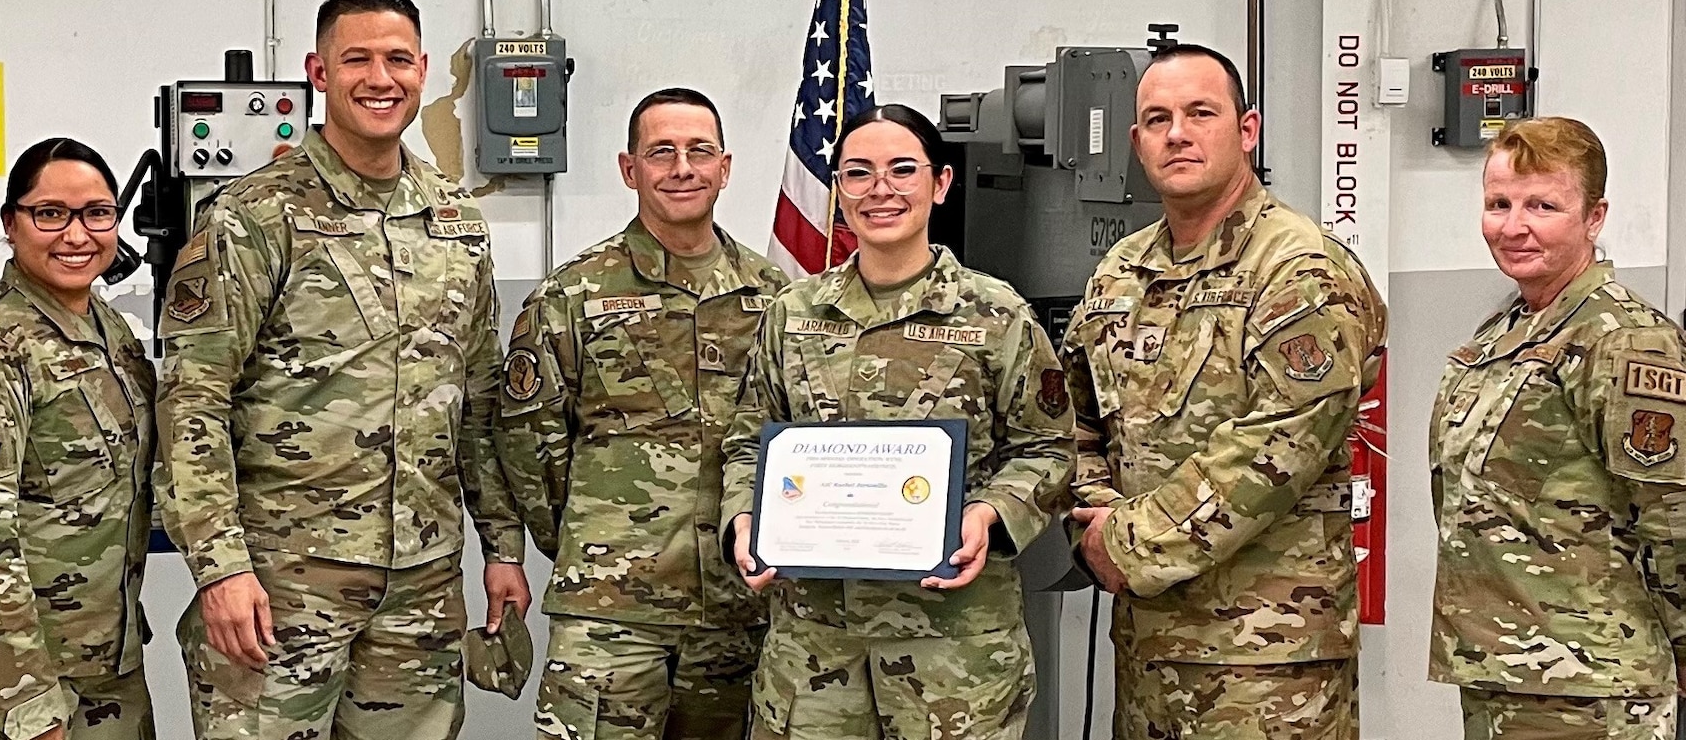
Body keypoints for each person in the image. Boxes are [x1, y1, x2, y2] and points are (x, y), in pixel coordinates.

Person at [155, 0, 528, 740]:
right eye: (355, 59)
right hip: (282, 584)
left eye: (397, 59)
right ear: (318, 73)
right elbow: (192, 400)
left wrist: (503, 547)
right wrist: (221, 566)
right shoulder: (253, 216)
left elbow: (479, 403)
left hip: (420, 587)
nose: (379, 78)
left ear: (423, 70)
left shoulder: (457, 222)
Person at [1059, 43, 1386, 739]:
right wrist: (1092, 521)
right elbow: (1073, 417)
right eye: (1157, 119)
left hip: (1266, 663)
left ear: (1247, 130)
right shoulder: (1122, 271)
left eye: (1200, 112)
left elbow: (1278, 445)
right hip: (1149, 650)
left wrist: (1129, 541)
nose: (1177, 133)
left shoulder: (1298, 267)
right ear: (1136, 142)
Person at [720, 103, 1074, 740]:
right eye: (858, 173)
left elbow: (1048, 449)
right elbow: (749, 439)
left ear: (940, 184)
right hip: (814, 646)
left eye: (902, 170)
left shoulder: (998, 316)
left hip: (953, 649)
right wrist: (743, 520)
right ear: (838, 193)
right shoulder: (792, 313)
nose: (880, 190)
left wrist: (989, 515)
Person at [499, 88, 788, 739]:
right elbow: (527, 443)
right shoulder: (573, 294)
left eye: (699, 151)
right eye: (662, 152)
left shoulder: (777, 298)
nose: (682, 167)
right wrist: (594, 542)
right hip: (611, 612)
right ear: (630, 169)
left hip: (740, 610)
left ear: (725, 166)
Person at [1428, 116, 1686, 739]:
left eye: (1543, 205)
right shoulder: (1506, 331)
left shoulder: (1625, 340)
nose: (1513, 226)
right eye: (1499, 204)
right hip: (1509, 670)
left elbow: (1672, 515)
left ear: (1593, 217)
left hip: (1592, 681)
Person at [0, 138, 155, 740]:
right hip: (1, 691)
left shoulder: (106, 326)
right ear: (11, 224)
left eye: (97, 213)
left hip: (103, 671)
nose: (76, 235)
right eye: (50, 214)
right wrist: (29, 704)